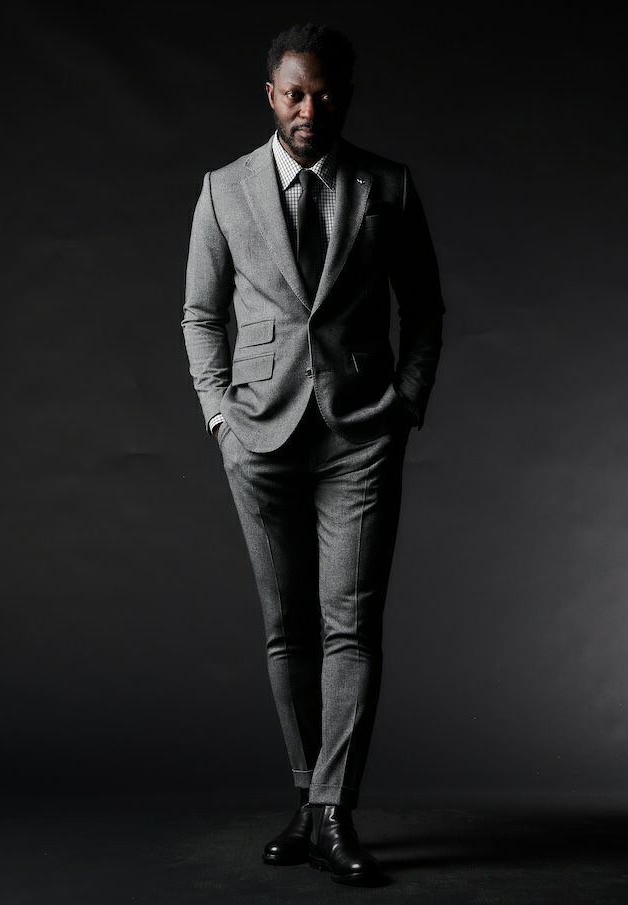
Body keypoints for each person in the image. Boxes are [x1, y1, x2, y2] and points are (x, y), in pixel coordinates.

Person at [181, 22, 445, 886]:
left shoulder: (387, 186)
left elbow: (425, 308)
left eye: (324, 94)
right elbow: (201, 314)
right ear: (271, 95)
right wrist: (218, 416)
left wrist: (405, 403)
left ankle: (333, 811)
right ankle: (307, 794)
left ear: (345, 96)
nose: (308, 108)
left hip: (360, 434)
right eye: (294, 93)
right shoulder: (223, 190)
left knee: (350, 622)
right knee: (285, 627)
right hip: (257, 436)